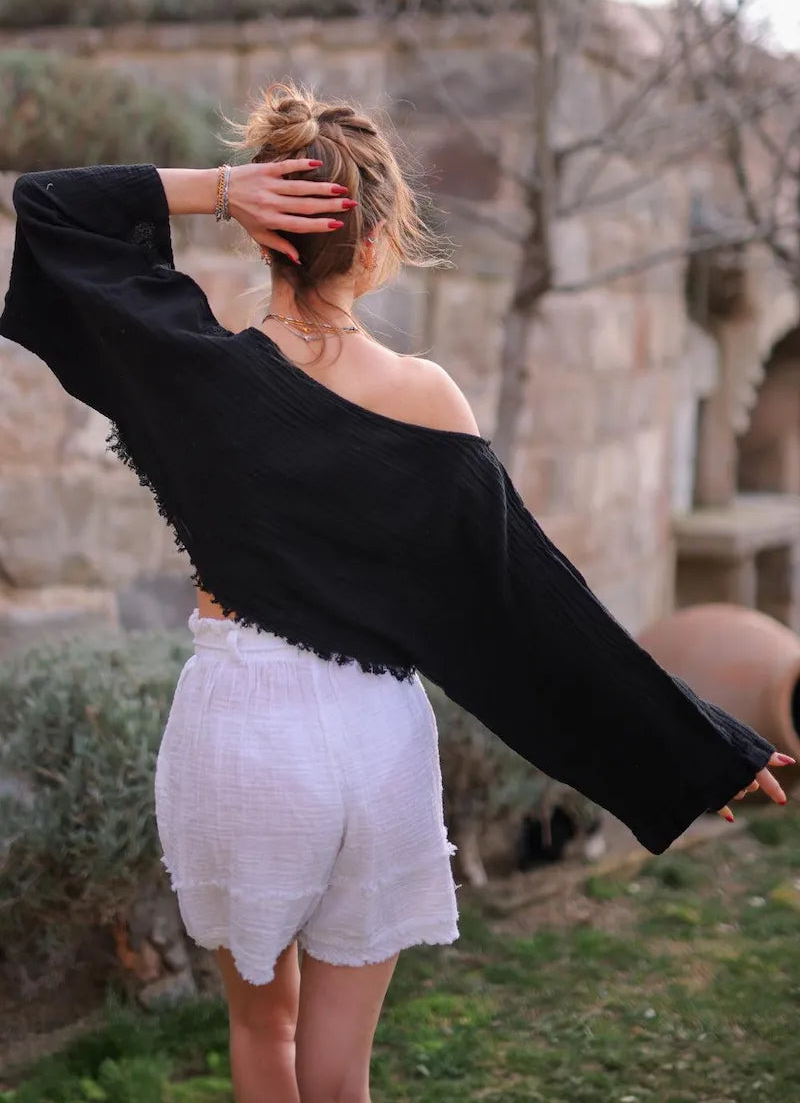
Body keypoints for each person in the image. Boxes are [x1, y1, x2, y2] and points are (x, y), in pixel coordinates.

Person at [1, 81, 793, 1103]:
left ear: (265, 234)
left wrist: (217, 189)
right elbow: (540, 608)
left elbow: (55, 205)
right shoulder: (428, 397)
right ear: (374, 244)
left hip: (242, 726)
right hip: (372, 739)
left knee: (261, 1036)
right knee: (340, 1071)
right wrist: (697, 747)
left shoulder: (188, 369)